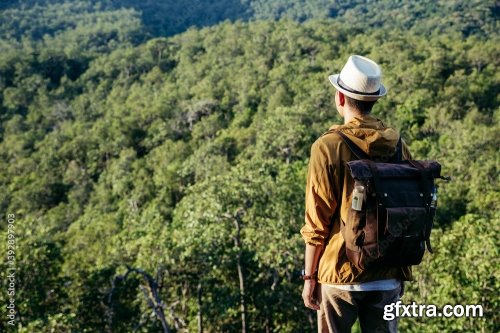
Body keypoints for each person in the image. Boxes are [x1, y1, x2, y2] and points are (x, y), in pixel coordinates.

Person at [300, 55, 412, 333]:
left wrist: (310, 277)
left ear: (340, 98)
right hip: (388, 270)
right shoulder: (397, 144)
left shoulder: (328, 146)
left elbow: (317, 220)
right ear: (374, 100)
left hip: (340, 272)